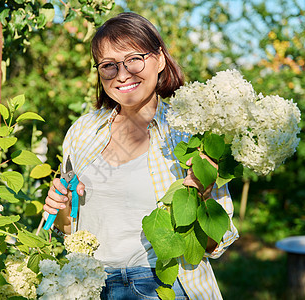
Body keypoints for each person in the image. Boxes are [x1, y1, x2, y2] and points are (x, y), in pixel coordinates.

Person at [43, 12, 239, 300]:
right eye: (108, 65)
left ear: (159, 59)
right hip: (87, 285)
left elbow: (215, 243)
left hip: (160, 285)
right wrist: (58, 205)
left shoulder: (189, 132)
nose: (122, 75)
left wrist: (203, 197)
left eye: (134, 59)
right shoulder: (83, 131)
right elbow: (68, 227)